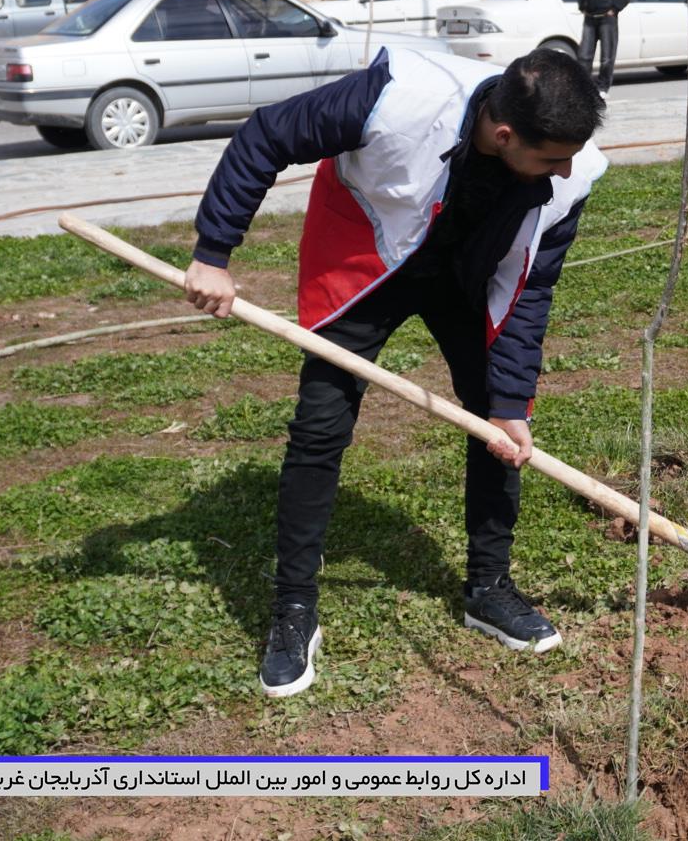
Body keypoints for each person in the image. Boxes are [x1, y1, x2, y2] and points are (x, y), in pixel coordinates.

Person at [184, 47, 607, 698]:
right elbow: (266, 134)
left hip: (468, 277)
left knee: (498, 425)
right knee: (321, 425)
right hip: (369, 256)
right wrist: (214, 253)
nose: (567, 169)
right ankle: (293, 607)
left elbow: (528, 289)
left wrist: (510, 402)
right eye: (553, 159)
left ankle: (489, 587)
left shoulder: (572, 174)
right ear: (504, 135)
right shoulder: (396, 96)